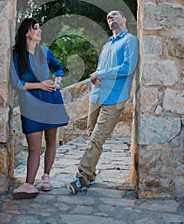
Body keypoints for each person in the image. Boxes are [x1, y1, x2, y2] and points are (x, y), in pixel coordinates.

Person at [68, 10, 139, 194]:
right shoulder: (107, 45)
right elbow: (100, 69)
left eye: (114, 15)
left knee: (98, 137)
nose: (110, 17)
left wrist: (102, 74)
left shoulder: (130, 41)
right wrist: (96, 77)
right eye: (108, 16)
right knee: (91, 135)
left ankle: (81, 176)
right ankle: (90, 175)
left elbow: (128, 68)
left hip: (115, 97)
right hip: (97, 95)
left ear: (123, 19)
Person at [10, 18, 69, 199]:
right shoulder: (16, 56)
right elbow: (16, 83)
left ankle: (46, 177)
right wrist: (40, 85)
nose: (39, 31)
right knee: (34, 147)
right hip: (30, 105)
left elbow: (59, 68)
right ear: (26, 32)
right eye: (35, 28)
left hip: (51, 101)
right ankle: (28, 184)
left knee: (51, 142)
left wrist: (57, 83)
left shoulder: (45, 52)